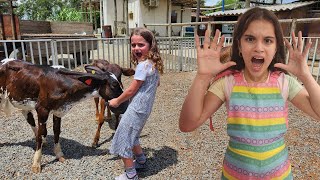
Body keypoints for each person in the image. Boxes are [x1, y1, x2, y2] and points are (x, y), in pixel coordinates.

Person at [179, 7, 320, 179]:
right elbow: (187, 124)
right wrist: (202, 77)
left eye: (268, 40)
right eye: (250, 39)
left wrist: (305, 75)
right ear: (239, 45)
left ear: (276, 48)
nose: (258, 48)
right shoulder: (227, 83)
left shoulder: (284, 82)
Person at [108, 27, 163, 180]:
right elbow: (156, 84)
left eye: (141, 45)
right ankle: (141, 161)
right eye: (133, 45)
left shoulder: (142, 66)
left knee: (123, 137)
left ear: (150, 45)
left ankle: (131, 175)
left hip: (137, 108)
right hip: (144, 108)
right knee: (133, 134)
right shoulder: (152, 63)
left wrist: (116, 101)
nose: (136, 48)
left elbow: (131, 90)